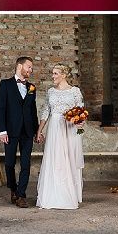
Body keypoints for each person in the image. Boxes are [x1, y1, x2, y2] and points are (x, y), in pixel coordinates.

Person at [35, 63, 85, 209]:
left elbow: (81, 111)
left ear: (64, 75)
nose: (53, 76)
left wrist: (80, 123)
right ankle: (53, 195)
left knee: (68, 159)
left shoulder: (75, 91)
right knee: (55, 159)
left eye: (56, 73)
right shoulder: (51, 91)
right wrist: (40, 130)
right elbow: (46, 111)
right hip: (55, 129)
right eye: (53, 73)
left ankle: (70, 195)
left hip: (70, 128)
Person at [0, 56, 39, 209]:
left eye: (32, 68)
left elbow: (33, 112)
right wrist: (2, 131)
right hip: (10, 131)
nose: (31, 70)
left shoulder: (32, 87)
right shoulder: (5, 84)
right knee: (9, 164)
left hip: (27, 131)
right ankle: (13, 189)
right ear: (20, 66)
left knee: (26, 164)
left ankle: (21, 195)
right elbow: (0, 109)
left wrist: (37, 131)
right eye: (29, 67)